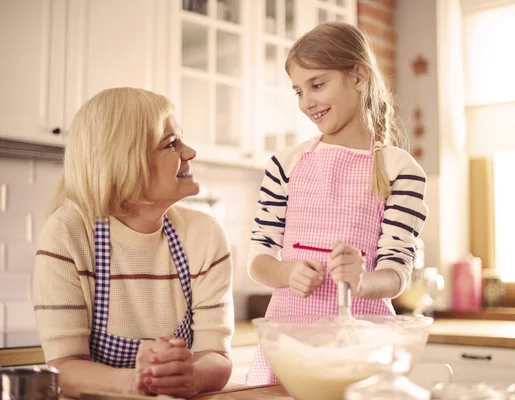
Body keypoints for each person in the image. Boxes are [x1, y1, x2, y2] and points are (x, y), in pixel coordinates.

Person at [245, 22, 429, 385]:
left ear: (358, 76)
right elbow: (258, 259)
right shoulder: (285, 164)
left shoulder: (399, 169)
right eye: (298, 91)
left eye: (317, 85)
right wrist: (287, 273)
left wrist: (361, 281)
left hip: (363, 347)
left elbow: (397, 273)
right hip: (290, 346)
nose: (306, 102)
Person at [32, 87, 234, 398]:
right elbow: (64, 367)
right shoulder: (68, 232)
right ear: (123, 161)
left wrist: (190, 376)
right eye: (171, 144)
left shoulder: (204, 234)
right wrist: (135, 383)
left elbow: (218, 356)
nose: (190, 152)